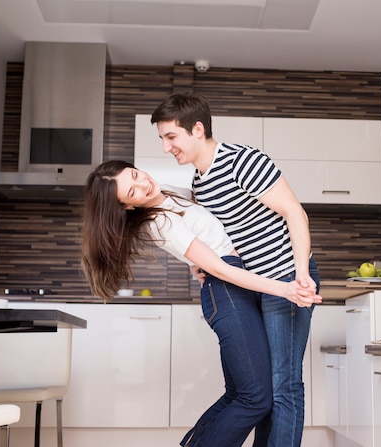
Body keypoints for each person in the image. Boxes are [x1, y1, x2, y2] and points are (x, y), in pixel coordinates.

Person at [81, 160, 321, 447]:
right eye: (133, 192)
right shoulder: (159, 221)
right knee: (255, 399)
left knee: (240, 394)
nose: (143, 184)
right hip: (227, 290)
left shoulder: (167, 192)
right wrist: (285, 289)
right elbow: (219, 268)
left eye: (136, 175)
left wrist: (194, 263)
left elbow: (205, 228)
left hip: (232, 286)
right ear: (127, 207)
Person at [151, 93, 321, 447]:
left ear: (197, 129)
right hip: (254, 285)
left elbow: (295, 213)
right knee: (264, 390)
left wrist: (301, 272)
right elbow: (213, 234)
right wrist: (199, 265)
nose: (167, 148)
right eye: (163, 140)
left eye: (171, 137)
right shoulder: (200, 182)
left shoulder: (242, 161)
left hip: (286, 276)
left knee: (283, 385)